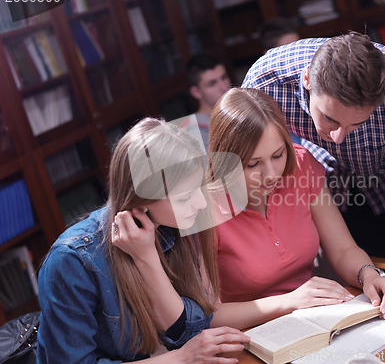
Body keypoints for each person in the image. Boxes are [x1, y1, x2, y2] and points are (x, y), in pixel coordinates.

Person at [241, 31, 385, 293]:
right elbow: (253, 162)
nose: (337, 138)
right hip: (335, 191)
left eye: (357, 123)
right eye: (329, 119)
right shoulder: (264, 84)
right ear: (307, 80)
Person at [37, 117, 249, 363]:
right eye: (184, 198)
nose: (201, 204)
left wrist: (147, 258)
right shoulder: (72, 259)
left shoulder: (176, 223)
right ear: (140, 198)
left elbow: (195, 327)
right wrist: (181, 358)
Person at [208, 87, 385, 319]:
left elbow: (343, 249)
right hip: (250, 336)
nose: (271, 174)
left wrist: (368, 274)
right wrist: (290, 302)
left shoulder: (301, 165)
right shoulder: (201, 207)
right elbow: (206, 315)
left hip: (313, 318)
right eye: (253, 164)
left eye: (278, 155)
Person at [183, 54, 231, 150]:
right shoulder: (194, 131)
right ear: (196, 92)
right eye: (212, 84)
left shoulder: (239, 111)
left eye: (224, 77)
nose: (224, 87)